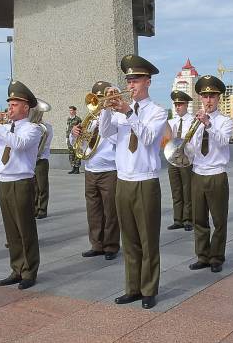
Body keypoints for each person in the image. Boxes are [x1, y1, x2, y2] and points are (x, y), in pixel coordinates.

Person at [99, 54, 167, 310]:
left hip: (145, 181)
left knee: (148, 239)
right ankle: (133, 287)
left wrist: (129, 113)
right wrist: (106, 109)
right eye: (128, 81)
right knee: (129, 239)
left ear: (147, 82)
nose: (131, 86)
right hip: (123, 180)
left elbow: (148, 138)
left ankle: (149, 289)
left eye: (136, 80)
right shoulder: (119, 113)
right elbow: (106, 133)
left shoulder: (157, 111)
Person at [0, 81, 43, 289]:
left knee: (25, 229)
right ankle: (16, 268)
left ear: (25, 107)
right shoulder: (4, 128)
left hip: (21, 182)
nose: (9, 108)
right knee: (11, 230)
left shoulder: (33, 129)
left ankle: (29, 271)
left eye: (14, 104)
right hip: (4, 181)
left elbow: (19, 144)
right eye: (9, 104)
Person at [187, 76, 233, 273]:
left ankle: (216, 257)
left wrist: (208, 125)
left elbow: (223, 141)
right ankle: (203, 255)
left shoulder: (225, 121)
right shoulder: (193, 121)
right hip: (198, 173)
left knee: (219, 219)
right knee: (199, 218)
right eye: (205, 96)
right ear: (200, 98)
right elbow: (190, 148)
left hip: (216, 174)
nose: (208, 100)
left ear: (218, 98)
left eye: (212, 96)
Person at [71, 81, 120, 260]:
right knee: (93, 210)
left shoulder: (114, 118)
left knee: (110, 210)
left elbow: (115, 140)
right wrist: (74, 134)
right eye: (97, 98)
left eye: (102, 98)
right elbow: (77, 145)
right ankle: (96, 244)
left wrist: (103, 123)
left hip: (109, 170)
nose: (99, 102)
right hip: (90, 169)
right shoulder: (89, 119)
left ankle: (111, 246)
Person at [165, 90, 195, 231]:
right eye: (176, 104)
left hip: (186, 159)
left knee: (187, 189)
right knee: (176, 189)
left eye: (180, 104)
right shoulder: (171, 122)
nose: (177, 107)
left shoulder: (193, 120)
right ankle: (178, 219)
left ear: (186, 105)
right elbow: (166, 140)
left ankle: (188, 219)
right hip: (173, 159)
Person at [31, 100, 53, 219]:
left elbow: (45, 144)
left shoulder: (46, 127)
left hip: (41, 160)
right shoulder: (31, 127)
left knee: (42, 186)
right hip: (31, 160)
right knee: (33, 186)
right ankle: (34, 208)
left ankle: (42, 209)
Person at [66, 106, 82, 174]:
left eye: (72, 110)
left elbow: (81, 128)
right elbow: (67, 128)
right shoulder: (68, 119)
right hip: (70, 137)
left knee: (77, 152)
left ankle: (77, 168)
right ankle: (73, 167)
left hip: (76, 138)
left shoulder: (78, 119)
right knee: (71, 153)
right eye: (70, 110)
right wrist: (66, 138)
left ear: (75, 111)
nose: (71, 112)